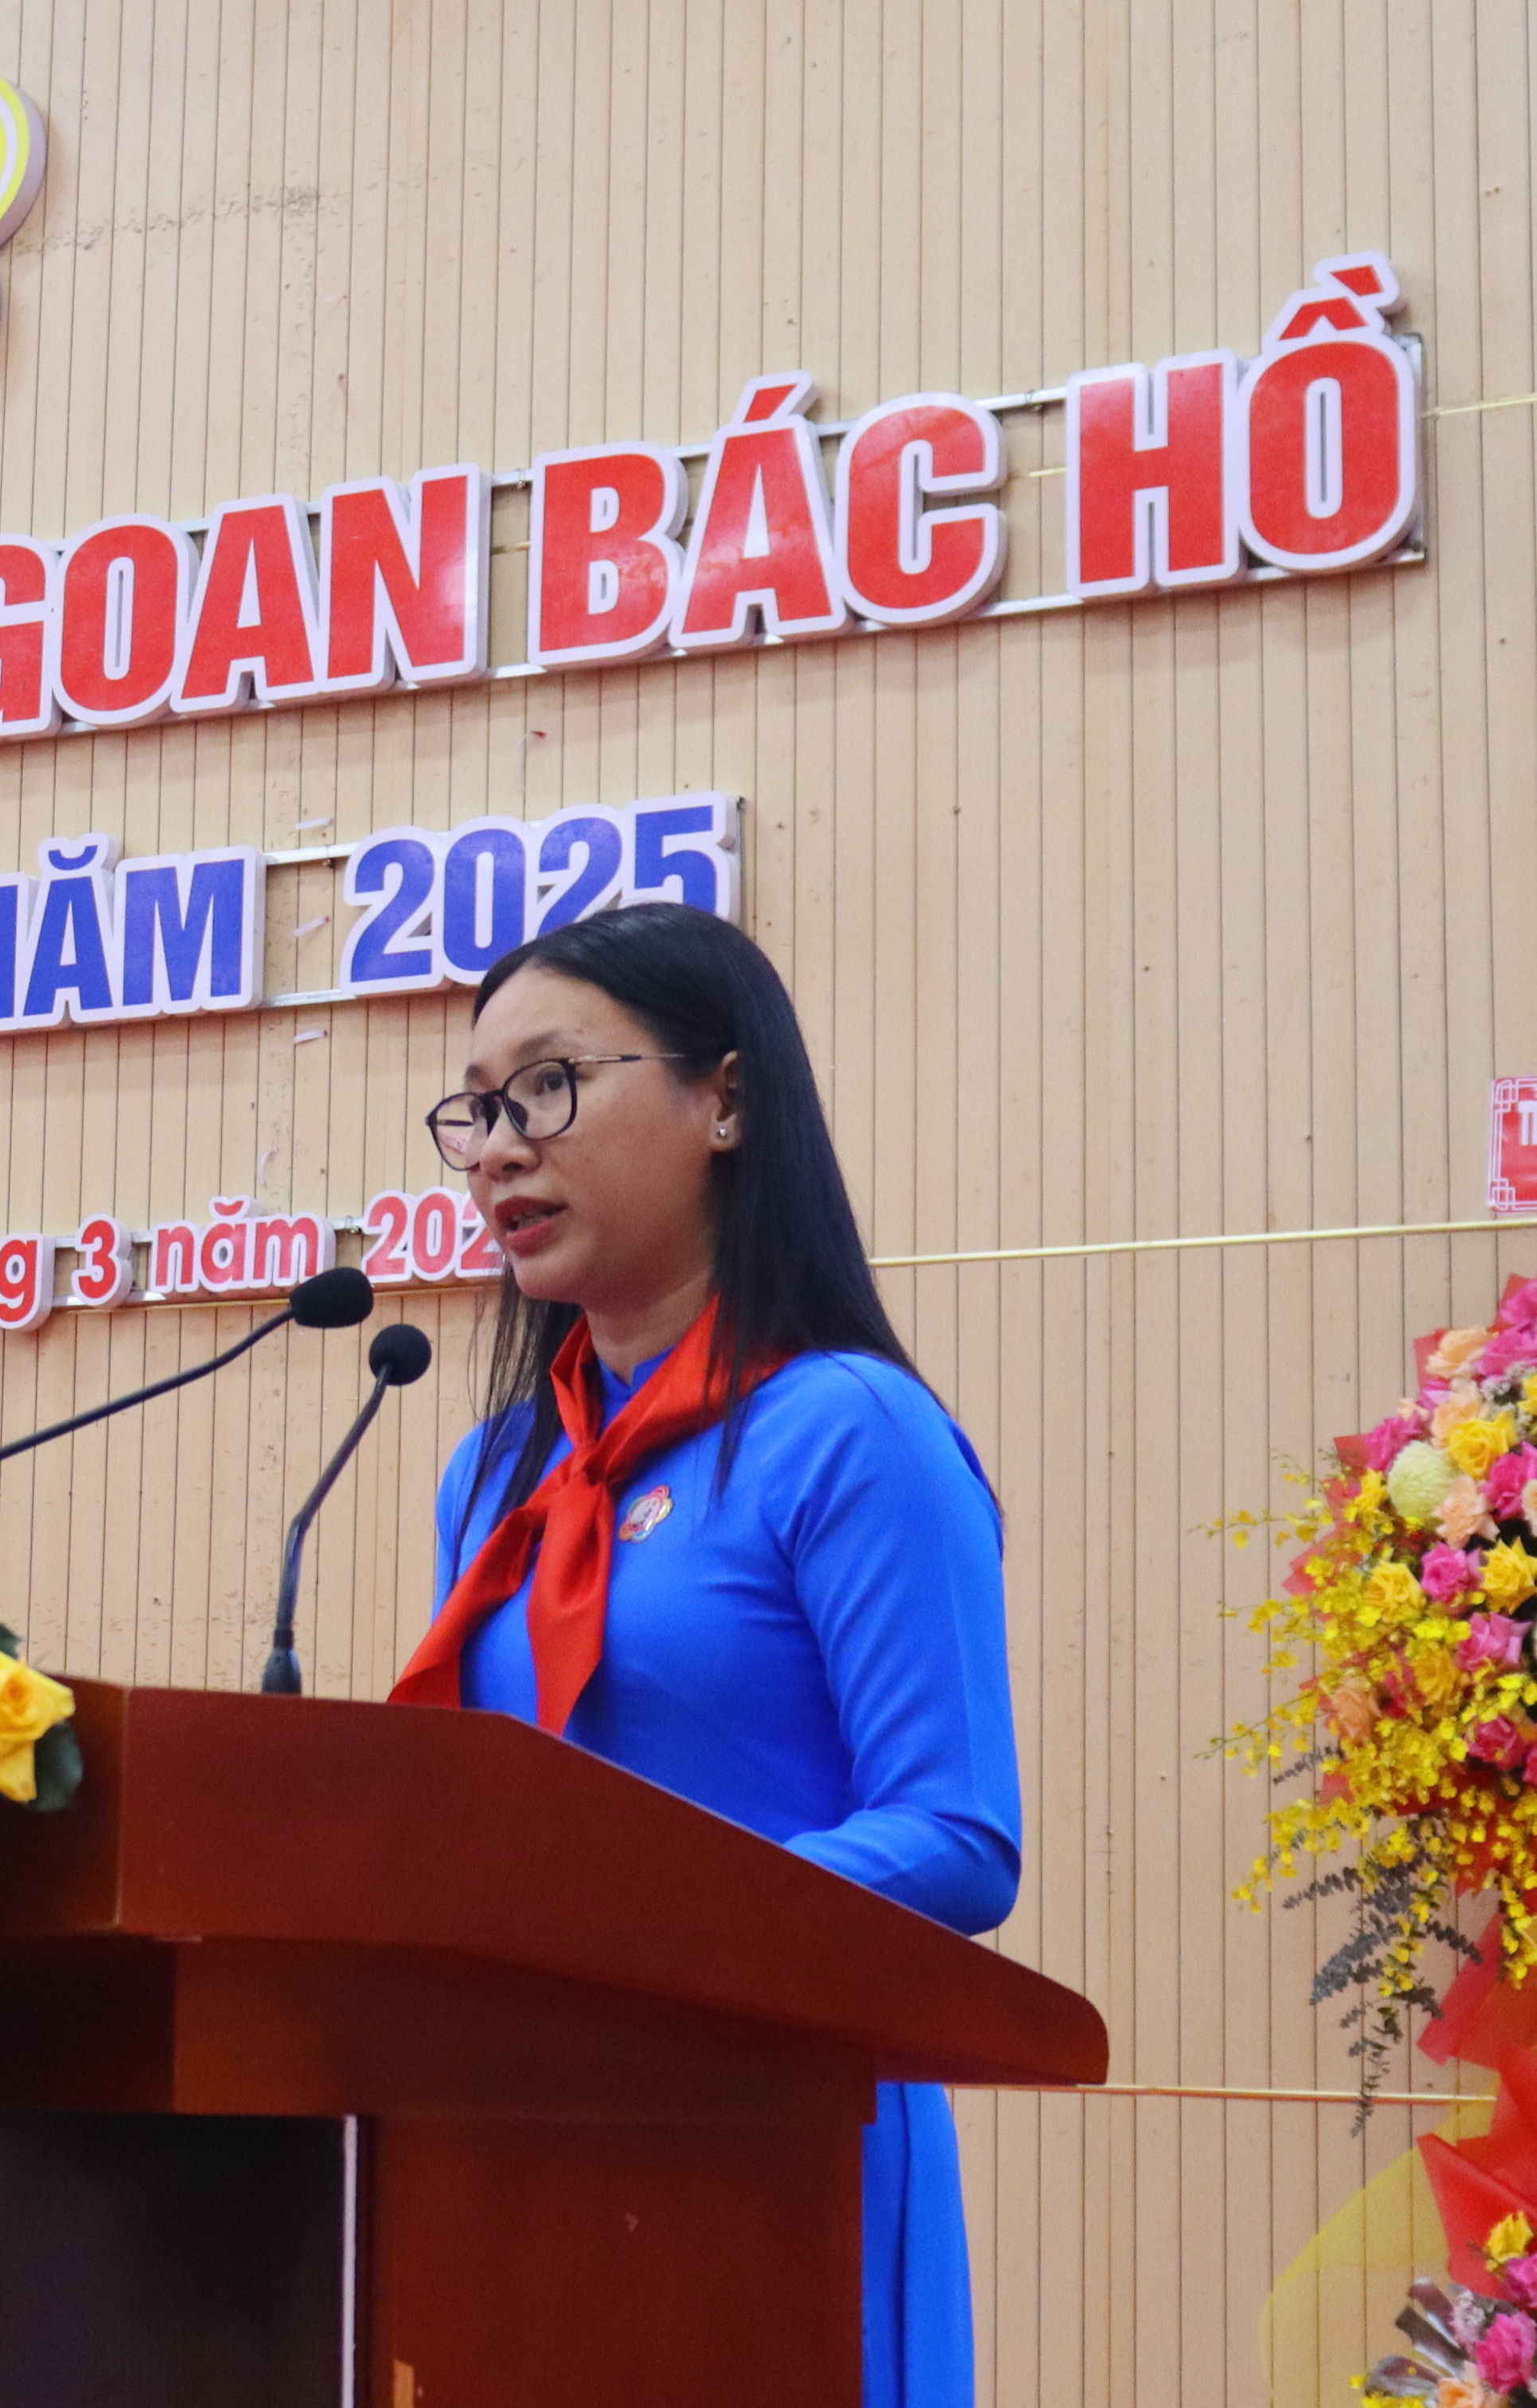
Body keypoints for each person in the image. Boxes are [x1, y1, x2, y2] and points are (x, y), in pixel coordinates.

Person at [391, 902, 1021, 2408]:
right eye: (475, 1110)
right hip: (524, 2131)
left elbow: (955, 1837)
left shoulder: (847, 1430)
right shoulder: (494, 1476)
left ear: (723, 1099)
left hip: (779, 2133)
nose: (496, 1149)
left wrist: (635, 1927)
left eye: (546, 1086)